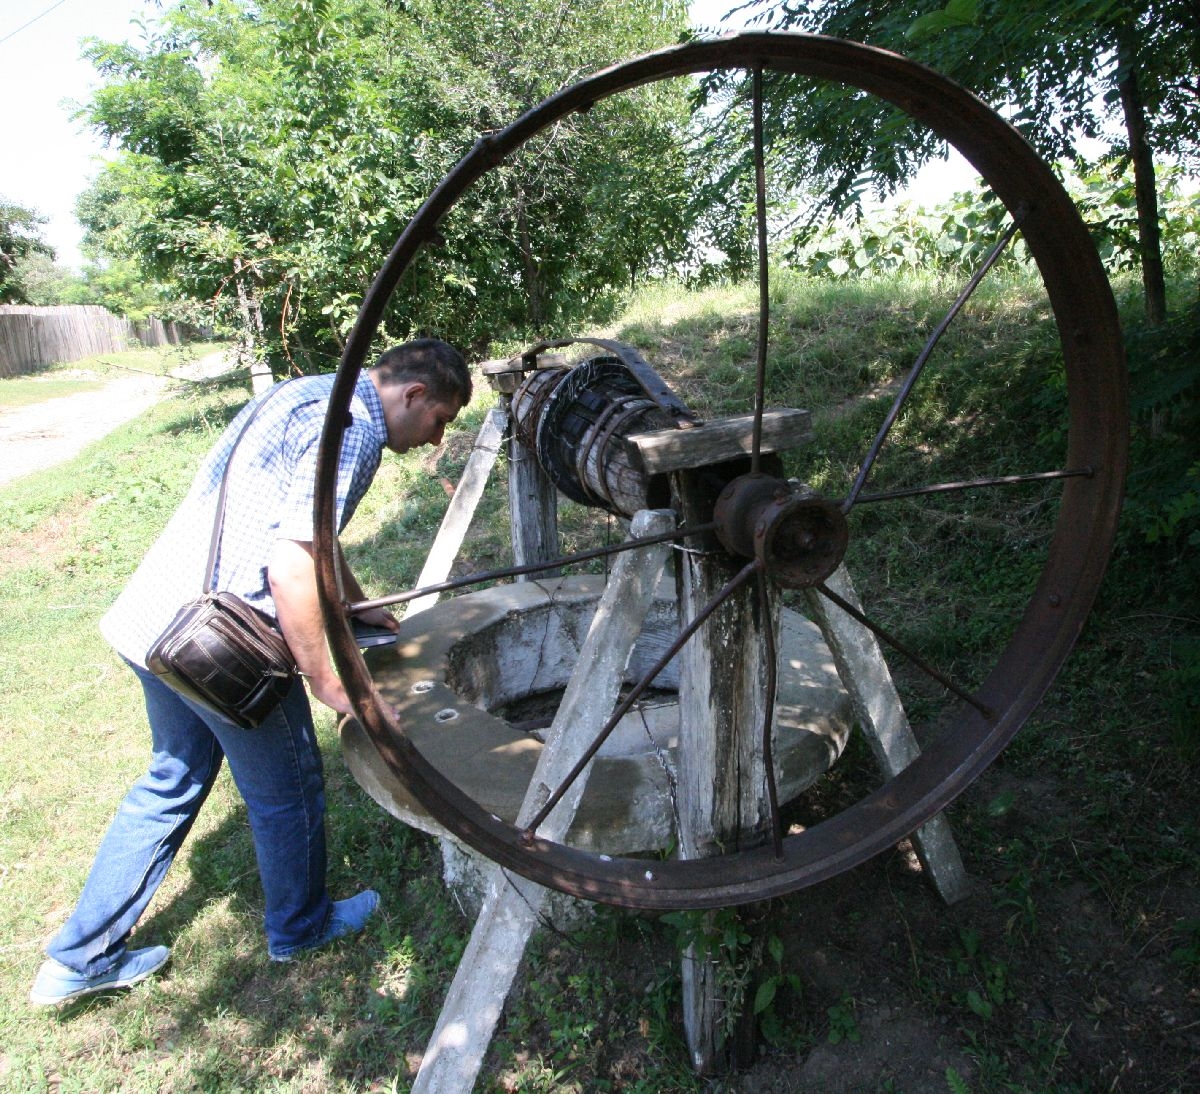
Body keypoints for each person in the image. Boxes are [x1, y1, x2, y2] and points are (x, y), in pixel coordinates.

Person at [30, 339, 471, 1006]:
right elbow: (290, 569)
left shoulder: (306, 393)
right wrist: (327, 682)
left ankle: (78, 958)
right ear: (412, 395)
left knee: (171, 779)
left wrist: (352, 601)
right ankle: (301, 927)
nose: (435, 438)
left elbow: (313, 535)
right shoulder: (353, 432)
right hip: (222, 651)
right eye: (440, 419)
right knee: (288, 791)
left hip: (158, 621)